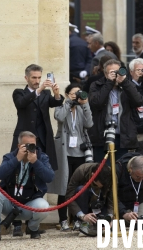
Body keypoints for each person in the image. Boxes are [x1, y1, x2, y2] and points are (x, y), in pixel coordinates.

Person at [0, 132, 54, 243]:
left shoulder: (41, 157)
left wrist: (35, 162)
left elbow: (50, 177)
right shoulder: (10, 157)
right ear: (19, 146)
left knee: (44, 206)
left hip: (29, 203)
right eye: (26, 145)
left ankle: (32, 229)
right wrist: (17, 159)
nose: (30, 148)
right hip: (9, 203)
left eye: (33, 145)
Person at [47, 84, 94, 231]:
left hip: (80, 152)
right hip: (65, 152)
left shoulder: (81, 108)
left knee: (78, 187)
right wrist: (68, 103)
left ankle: (77, 219)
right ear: (67, 94)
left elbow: (89, 123)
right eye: (74, 93)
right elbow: (59, 117)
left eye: (79, 93)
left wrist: (85, 105)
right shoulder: (62, 107)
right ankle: (63, 220)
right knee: (64, 187)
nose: (77, 95)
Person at [89, 59, 143, 161]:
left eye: (118, 71)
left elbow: (138, 101)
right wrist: (109, 83)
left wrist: (124, 83)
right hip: (102, 136)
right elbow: (97, 103)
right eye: (112, 72)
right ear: (106, 74)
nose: (116, 75)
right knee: (103, 170)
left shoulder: (127, 85)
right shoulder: (96, 85)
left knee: (120, 169)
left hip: (122, 136)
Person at [12, 64, 63, 170]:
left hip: (43, 139)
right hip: (25, 138)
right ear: (26, 78)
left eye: (39, 77)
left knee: (43, 169)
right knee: (22, 168)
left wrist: (57, 94)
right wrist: (39, 90)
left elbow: (55, 103)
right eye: (34, 77)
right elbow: (21, 103)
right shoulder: (19, 93)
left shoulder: (46, 93)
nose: (37, 80)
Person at [66, 162, 113, 237]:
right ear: (93, 175)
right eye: (98, 185)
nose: (99, 187)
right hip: (84, 204)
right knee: (81, 189)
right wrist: (82, 216)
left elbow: (112, 199)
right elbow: (69, 196)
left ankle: (100, 222)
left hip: (101, 203)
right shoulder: (81, 171)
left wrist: (110, 217)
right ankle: (83, 223)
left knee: (106, 223)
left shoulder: (111, 175)